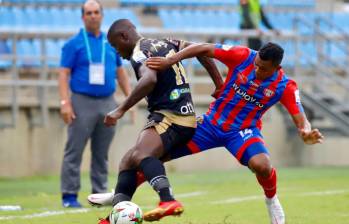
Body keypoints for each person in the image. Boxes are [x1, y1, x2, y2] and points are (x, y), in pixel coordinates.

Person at [94, 19, 222, 223]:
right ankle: (115, 216)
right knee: (128, 160)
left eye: (115, 46)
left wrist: (121, 109)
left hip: (171, 117)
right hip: (181, 116)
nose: (116, 51)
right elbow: (200, 50)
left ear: (124, 37)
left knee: (141, 154)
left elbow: (149, 79)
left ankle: (168, 200)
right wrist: (219, 83)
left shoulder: (139, 53)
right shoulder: (166, 42)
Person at [58, 0, 133, 208]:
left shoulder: (110, 44)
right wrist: (65, 102)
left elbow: (121, 73)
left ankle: (99, 195)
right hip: (82, 101)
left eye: (96, 12)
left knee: (102, 152)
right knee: (74, 149)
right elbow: (63, 74)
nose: (92, 16)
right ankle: (69, 196)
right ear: (83, 17)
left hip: (108, 101)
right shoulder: (74, 44)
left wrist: (129, 101)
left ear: (102, 15)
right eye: (88, 13)